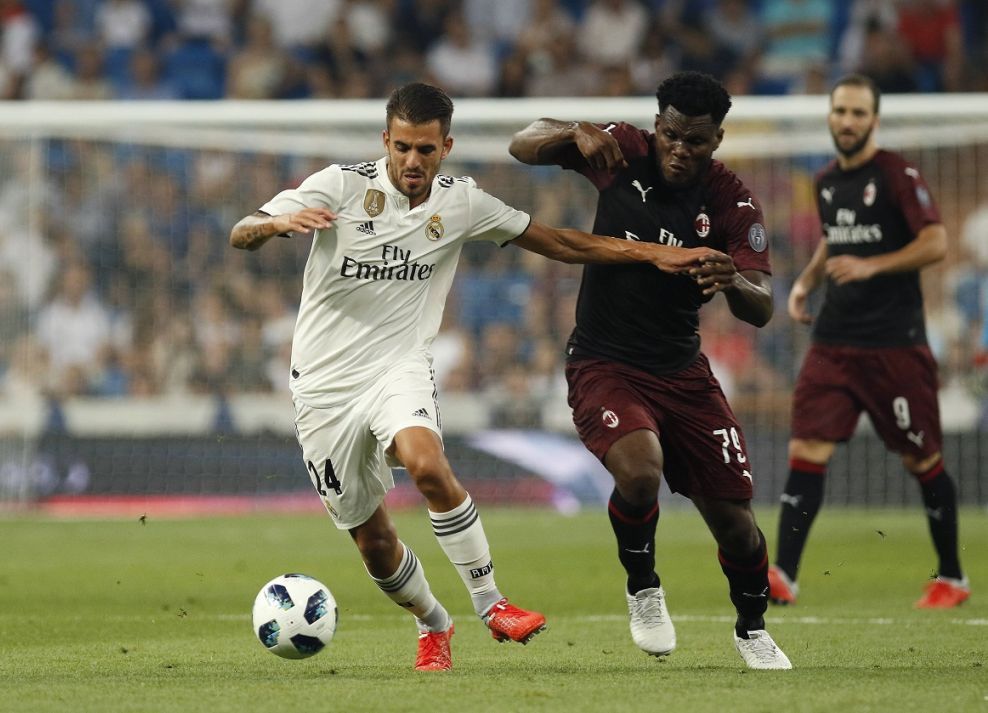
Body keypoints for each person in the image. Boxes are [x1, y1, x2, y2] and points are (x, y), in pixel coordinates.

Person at [230, 82, 730, 672]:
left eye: (426, 150)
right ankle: (434, 622)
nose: (413, 162)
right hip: (322, 387)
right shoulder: (338, 187)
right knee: (375, 542)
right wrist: (275, 224)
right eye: (403, 148)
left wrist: (654, 253)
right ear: (385, 142)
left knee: (426, 464)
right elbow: (243, 230)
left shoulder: (461, 203)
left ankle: (492, 604)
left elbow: (562, 243)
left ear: (446, 146)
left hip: (399, 368)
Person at [509, 70, 792, 670]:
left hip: (683, 373)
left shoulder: (732, 201)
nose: (679, 150)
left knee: (737, 528)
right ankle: (643, 587)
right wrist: (573, 130)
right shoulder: (622, 148)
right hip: (603, 361)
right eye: (671, 135)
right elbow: (522, 144)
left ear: (716, 140)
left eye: (695, 141)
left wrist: (732, 281)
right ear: (656, 125)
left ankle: (752, 628)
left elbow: (762, 306)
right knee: (640, 472)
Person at [768, 73, 969, 610]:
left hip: (893, 346)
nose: (848, 122)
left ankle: (952, 576)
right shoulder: (827, 180)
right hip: (833, 341)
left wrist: (873, 265)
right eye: (840, 112)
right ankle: (783, 574)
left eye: (859, 113)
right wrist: (808, 282)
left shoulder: (898, 173)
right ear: (830, 117)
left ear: (874, 119)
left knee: (921, 459)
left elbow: (935, 241)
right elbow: (836, 240)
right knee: (806, 448)